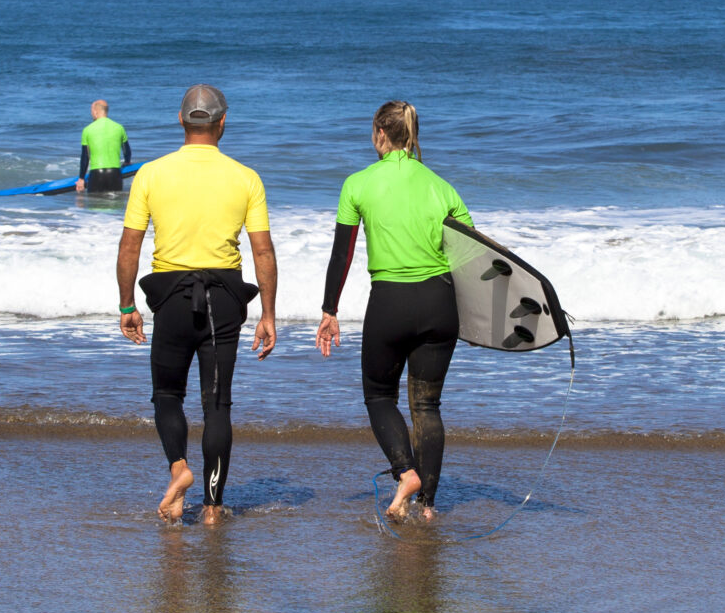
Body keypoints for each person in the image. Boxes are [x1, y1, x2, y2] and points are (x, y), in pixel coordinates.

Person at [118, 85, 278, 522]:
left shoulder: (151, 173)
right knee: (217, 404)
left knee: (167, 394)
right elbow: (262, 251)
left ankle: (179, 468)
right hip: (224, 300)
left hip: (169, 297)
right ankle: (212, 508)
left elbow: (130, 245)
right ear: (222, 122)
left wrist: (127, 305)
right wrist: (267, 314)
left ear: (181, 120)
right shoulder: (246, 177)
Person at [315, 101, 471, 523]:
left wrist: (330, 310)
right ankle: (428, 507)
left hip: (390, 304)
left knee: (379, 395)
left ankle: (406, 472)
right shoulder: (443, 188)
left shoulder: (358, 184)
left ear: (380, 134)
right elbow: (471, 260)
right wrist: (476, 322)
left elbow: (341, 255)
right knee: (428, 407)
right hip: (440, 305)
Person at [78, 99, 132, 195]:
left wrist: (81, 179)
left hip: (96, 174)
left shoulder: (87, 130)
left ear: (95, 111)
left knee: (95, 206)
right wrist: (127, 162)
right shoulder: (119, 127)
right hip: (115, 174)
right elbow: (126, 151)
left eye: (91, 111)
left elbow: (85, 157)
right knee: (115, 206)